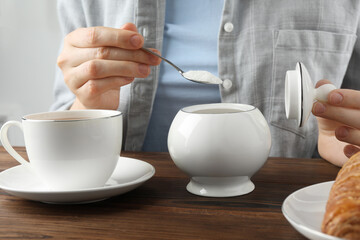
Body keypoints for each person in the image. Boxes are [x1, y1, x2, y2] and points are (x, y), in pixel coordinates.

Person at [51, 0, 360, 167]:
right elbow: (57, 140)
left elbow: (347, 117)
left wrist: (340, 140)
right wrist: (91, 109)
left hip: (284, 205)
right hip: (124, 205)